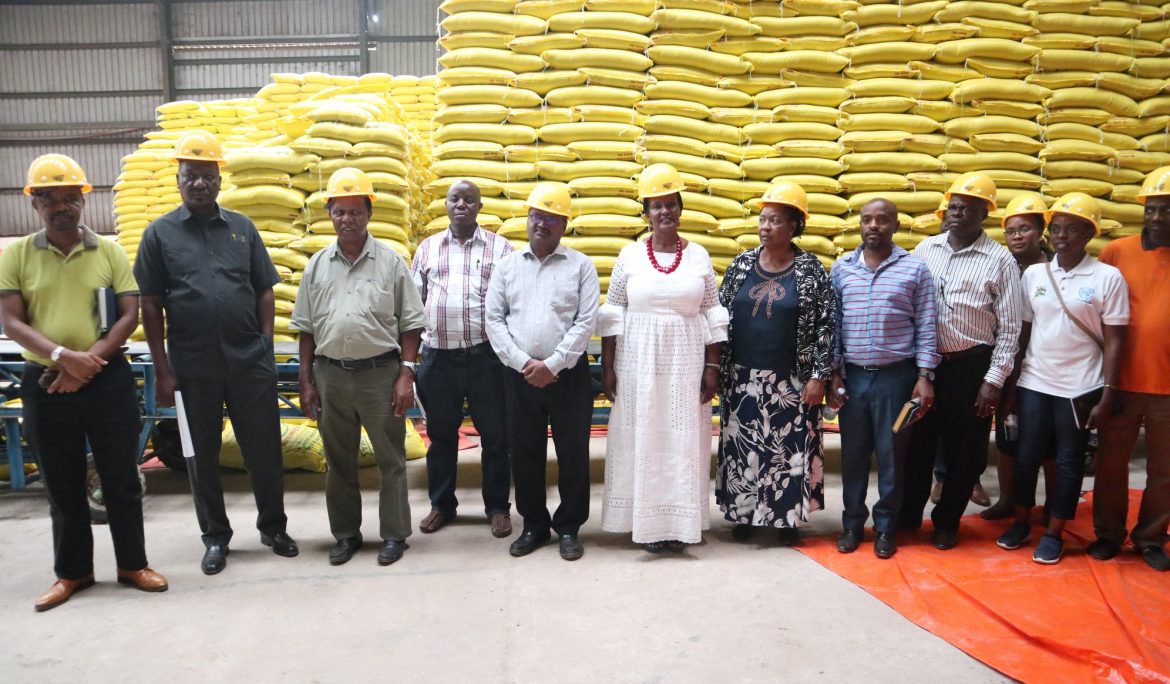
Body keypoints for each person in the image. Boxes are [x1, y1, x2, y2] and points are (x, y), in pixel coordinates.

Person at [0, 154, 167, 611]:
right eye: (50, 197)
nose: (62, 206)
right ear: (33, 202)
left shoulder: (109, 251)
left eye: (71, 197)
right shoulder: (16, 254)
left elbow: (129, 313)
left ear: (82, 202)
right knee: (62, 482)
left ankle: (133, 564)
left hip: (106, 377)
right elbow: (11, 321)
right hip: (47, 380)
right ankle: (73, 573)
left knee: (121, 478)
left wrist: (88, 361)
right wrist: (63, 357)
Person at [134, 130, 297, 575]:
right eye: (191, 176)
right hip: (192, 369)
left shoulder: (242, 229)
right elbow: (150, 305)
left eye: (207, 176)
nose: (199, 184)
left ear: (220, 180)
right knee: (199, 455)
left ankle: (273, 528)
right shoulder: (158, 235)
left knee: (264, 450)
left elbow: (265, 289)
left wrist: (264, 343)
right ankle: (215, 537)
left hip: (249, 362)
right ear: (179, 179)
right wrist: (163, 370)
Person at [291, 168, 426, 566]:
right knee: (339, 461)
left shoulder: (391, 263)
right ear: (329, 214)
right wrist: (307, 381)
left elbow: (412, 323)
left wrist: (406, 373)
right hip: (330, 375)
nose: (347, 220)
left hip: (380, 376)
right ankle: (346, 534)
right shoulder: (316, 266)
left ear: (369, 214)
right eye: (339, 212)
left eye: (355, 212)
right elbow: (305, 329)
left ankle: (394, 535)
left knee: (391, 460)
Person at [598, 163, 730, 553]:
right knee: (642, 438)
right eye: (656, 206)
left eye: (671, 204)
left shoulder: (699, 255)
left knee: (683, 439)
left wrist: (712, 367)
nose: (664, 212)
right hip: (637, 360)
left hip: (686, 361)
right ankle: (646, 522)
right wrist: (608, 367)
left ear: (681, 208)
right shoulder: (630, 255)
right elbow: (613, 311)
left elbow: (712, 312)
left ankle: (681, 522)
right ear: (646, 213)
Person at [996, 193, 1128, 564]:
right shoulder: (1036, 275)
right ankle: (1022, 521)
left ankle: (1053, 532)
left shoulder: (1107, 277)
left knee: (1069, 461)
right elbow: (1022, 333)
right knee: (1026, 456)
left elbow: (1116, 341)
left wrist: (1109, 394)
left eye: (1072, 229)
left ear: (1089, 234)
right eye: (1057, 228)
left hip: (1080, 387)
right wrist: (1011, 386)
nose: (1062, 235)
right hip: (1035, 382)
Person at [904, 172, 1023, 549]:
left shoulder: (1000, 260)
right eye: (953, 206)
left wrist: (994, 380)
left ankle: (946, 523)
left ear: (984, 214)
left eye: (967, 208)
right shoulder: (926, 250)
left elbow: (1009, 328)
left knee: (964, 453)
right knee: (914, 447)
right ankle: (908, 519)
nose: (957, 213)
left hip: (972, 368)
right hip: (925, 368)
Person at [715, 181, 835, 547]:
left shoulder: (811, 270)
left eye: (776, 220)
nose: (765, 226)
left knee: (787, 452)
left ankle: (784, 520)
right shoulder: (742, 264)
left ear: (795, 226)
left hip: (791, 381)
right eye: (763, 219)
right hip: (742, 377)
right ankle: (745, 515)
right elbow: (719, 315)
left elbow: (827, 326)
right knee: (743, 449)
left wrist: (819, 376)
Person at [485, 182, 599, 561]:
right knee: (525, 452)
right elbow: (494, 321)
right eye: (537, 216)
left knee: (572, 454)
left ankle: (568, 527)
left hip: (568, 376)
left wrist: (552, 364)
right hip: (518, 377)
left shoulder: (581, 266)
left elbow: (585, 322)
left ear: (565, 224)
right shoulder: (507, 268)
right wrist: (523, 363)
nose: (542, 224)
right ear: (527, 219)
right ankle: (533, 524)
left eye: (552, 218)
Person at [828, 198, 938, 559]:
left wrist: (924, 376)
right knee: (853, 456)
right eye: (867, 219)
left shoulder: (914, 270)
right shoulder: (842, 268)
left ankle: (887, 527)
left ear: (895, 225)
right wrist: (834, 374)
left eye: (882, 220)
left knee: (893, 456)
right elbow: (834, 327)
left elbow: (925, 324)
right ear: (860, 225)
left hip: (897, 378)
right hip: (854, 378)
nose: (873, 225)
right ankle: (852, 525)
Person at [411, 179, 514, 538]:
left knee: (496, 436)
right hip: (438, 357)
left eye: (469, 200)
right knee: (440, 435)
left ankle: (498, 507)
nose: (461, 205)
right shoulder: (427, 248)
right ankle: (442, 505)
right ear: (446, 203)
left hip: (486, 357)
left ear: (480, 206)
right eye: (455, 198)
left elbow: (510, 303)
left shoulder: (501, 249)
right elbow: (414, 303)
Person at [1090, 166, 1170, 571]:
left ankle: (1151, 537)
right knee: (1110, 465)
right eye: (1152, 209)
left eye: (1166, 210)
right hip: (1120, 382)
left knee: (1164, 472)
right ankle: (1108, 534)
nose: (1157, 218)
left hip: (1168, 390)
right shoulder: (1116, 252)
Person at [982, 193, 1057, 521]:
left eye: (1024, 229)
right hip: (1008, 365)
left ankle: (1053, 503)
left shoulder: (1055, 269)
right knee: (1008, 435)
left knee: (1050, 439)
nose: (1016, 236)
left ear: (1041, 230)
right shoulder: (1002, 267)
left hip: (1047, 367)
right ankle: (1008, 500)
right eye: (1010, 230)